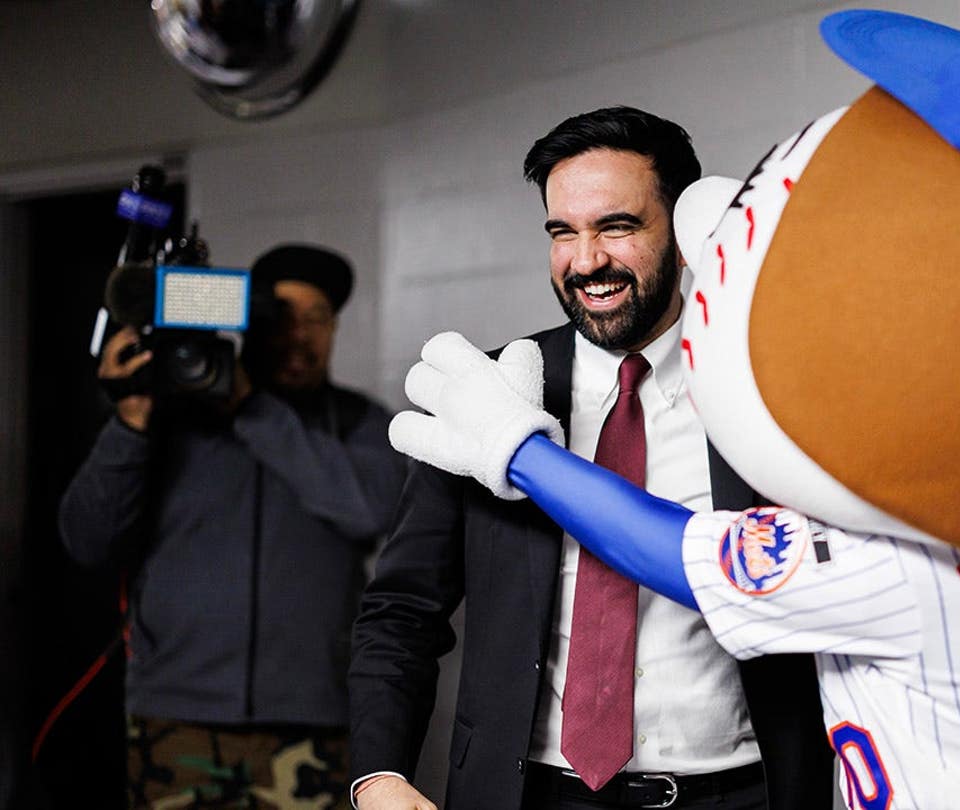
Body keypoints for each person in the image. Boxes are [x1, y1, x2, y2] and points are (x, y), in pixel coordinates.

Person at [348, 107, 834, 810]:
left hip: (740, 793)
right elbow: (401, 610)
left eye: (617, 227)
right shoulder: (484, 394)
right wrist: (378, 776)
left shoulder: (767, 390)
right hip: (530, 796)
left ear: (685, 233)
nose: (585, 261)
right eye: (562, 232)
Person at [59, 243, 406, 808]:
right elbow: (87, 539)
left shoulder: (362, 423)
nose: (299, 335)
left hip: (312, 727)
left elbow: (374, 510)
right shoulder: (169, 418)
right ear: (249, 324)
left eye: (317, 318)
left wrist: (251, 409)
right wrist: (130, 423)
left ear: (335, 329)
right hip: (174, 718)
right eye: (283, 317)